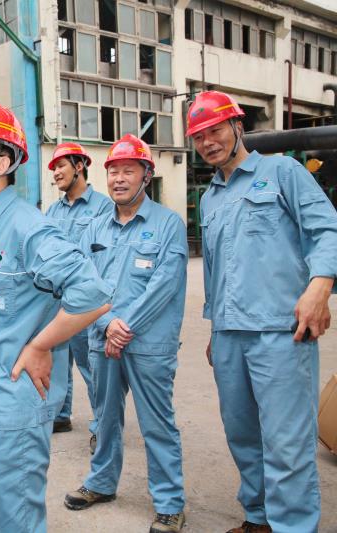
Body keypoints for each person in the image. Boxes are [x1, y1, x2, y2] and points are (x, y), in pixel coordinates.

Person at [0, 101, 113, 532]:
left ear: (1, 163)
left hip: (7, 419)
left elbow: (92, 294)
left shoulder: (27, 228)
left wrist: (41, 344)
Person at [188, 90, 337, 533]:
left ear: (238, 127)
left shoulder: (282, 172)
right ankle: (259, 518)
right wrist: (214, 329)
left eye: (215, 130)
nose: (207, 142)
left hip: (281, 331)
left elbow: (327, 229)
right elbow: (214, 270)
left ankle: (293, 525)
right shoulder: (210, 198)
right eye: (198, 136)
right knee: (243, 436)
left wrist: (320, 286)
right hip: (229, 335)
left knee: (287, 442)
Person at [63, 134, 188, 533]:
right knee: (105, 417)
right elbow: (82, 281)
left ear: (146, 175)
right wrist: (106, 324)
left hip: (149, 345)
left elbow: (165, 285)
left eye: (128, 171)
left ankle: (169, 504)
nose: (118, 179)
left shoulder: (168, 224)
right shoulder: (95, 227)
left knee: (157, 423)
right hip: (103, 339)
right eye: (113, 171)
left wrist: (124, 325)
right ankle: (101, 483)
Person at [45, 143, 113, 450]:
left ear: (79, 167)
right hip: (58, 300)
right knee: (58, 362)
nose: (56, 173)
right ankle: (60, 414)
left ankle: (102, 426)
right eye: (54, 168)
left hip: (86, 302)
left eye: (61, 166)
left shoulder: (102, 207)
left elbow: (107, 257)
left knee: (91, 368)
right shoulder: (53, 211)